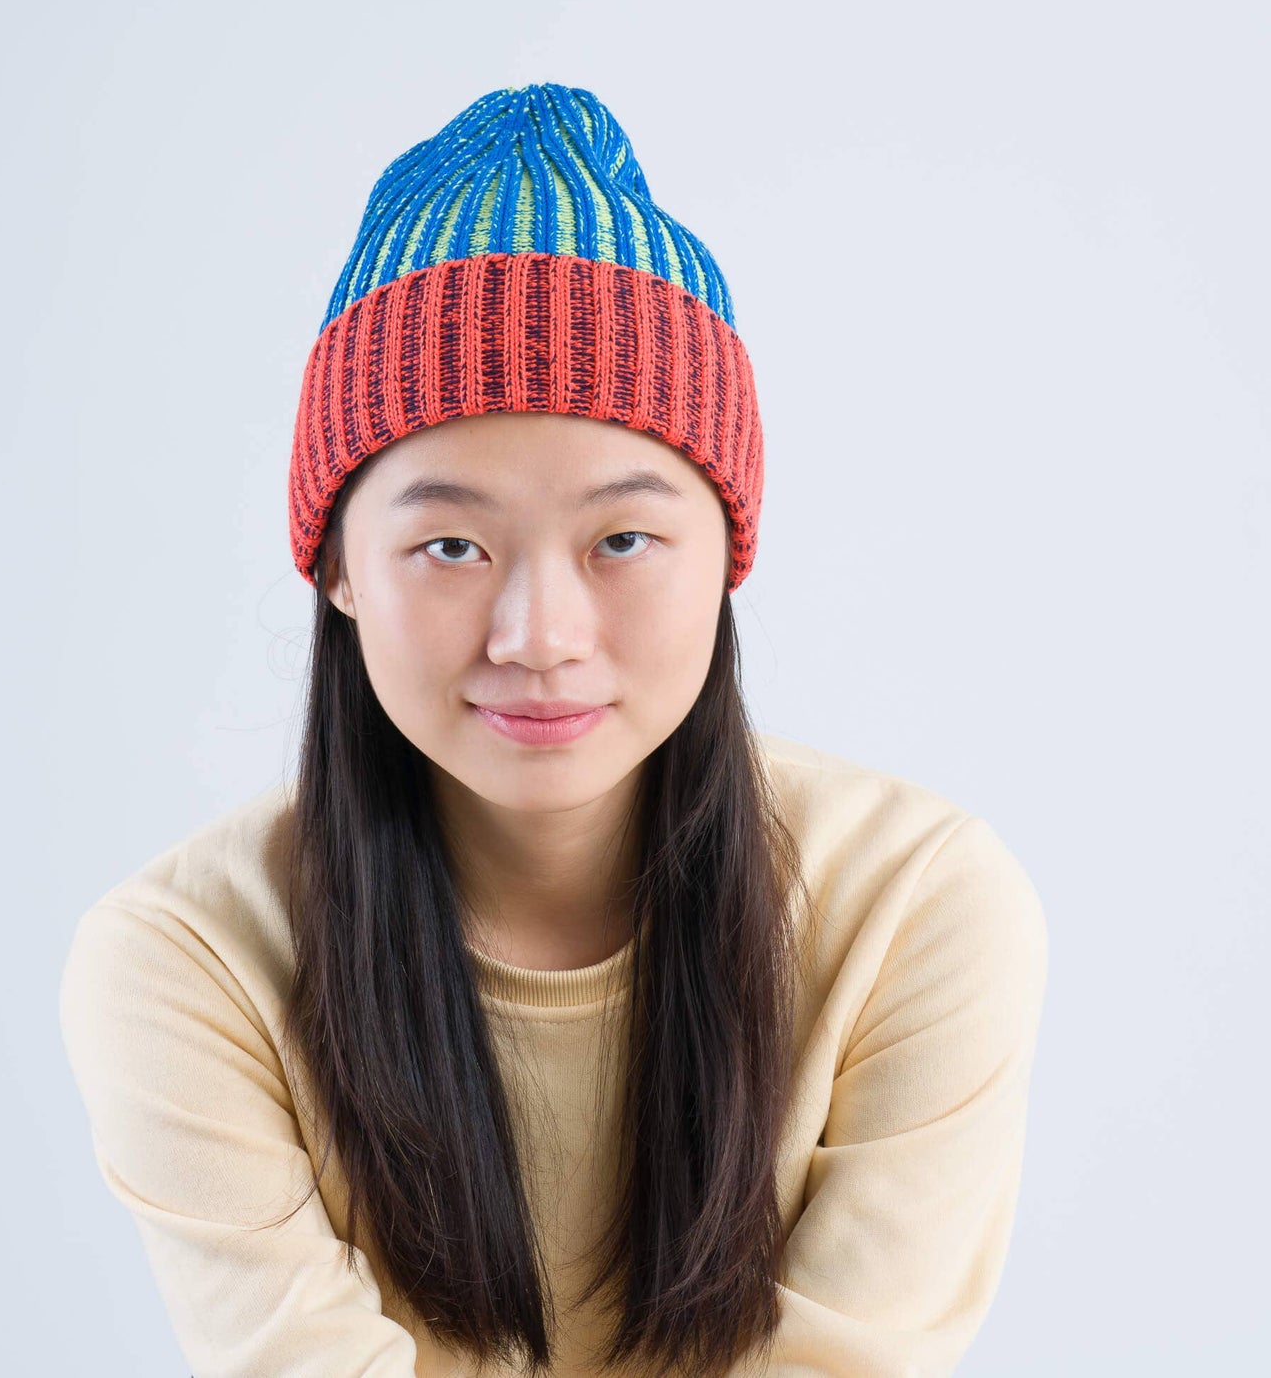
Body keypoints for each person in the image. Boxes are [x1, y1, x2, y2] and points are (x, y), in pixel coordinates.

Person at [58, 82, 1048, 1378]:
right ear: (339, 568)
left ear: (725, 555)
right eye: (450, 543)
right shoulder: (191, 958)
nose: (538, 631)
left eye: (620, 538)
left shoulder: (912, 905)